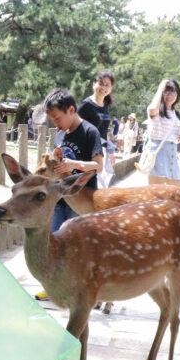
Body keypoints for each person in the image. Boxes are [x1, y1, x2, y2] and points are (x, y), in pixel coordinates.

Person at [34, 88, 104, 300]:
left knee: (80, 245)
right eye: (52, 119)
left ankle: (83, 289)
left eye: (57, 118)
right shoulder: (60, 136)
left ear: (71, 110)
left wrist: (74, 165)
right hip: (59, 199)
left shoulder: (90, 132)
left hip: (82, 201)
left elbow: (98, 166)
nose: (56, 123)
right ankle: (54, 286)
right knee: (54, 240)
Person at [145, 78, 180, 188]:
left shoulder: (176, 114)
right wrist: (161, 87)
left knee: (177, 192)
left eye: (173, 92)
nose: (169, 95)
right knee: (157, 194)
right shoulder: (156, 110)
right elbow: (152, 109)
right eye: (166, 92)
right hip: (157, 153)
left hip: (171, 154)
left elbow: (174, 138)